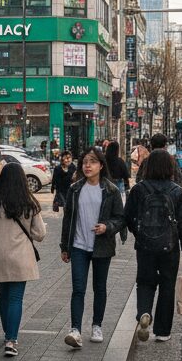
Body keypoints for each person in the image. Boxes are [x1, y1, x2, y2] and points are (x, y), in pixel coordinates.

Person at [124, 149, 182, 343]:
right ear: (170, 168)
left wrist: (139, 233)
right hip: (169, 247)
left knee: (145, 281)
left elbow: (127, 216)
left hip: (145, 246)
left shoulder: (139, 190)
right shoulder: (177, 192)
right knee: (167, 285)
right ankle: (162, 331)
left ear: (148, 167)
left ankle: (144, 313)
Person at [59, 146, 125, 348]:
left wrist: (107, 227)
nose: (88, 166)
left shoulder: (111, 190)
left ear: (101, 165)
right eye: (85, 162)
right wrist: (64, 246)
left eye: (93, 162)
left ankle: (97, 325)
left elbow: (120, 219)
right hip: (78, 246)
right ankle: (75, 330)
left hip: (101, 246)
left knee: (99, 287)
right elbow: (68, 219)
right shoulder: (75, 189)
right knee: (78, 288)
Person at [0, 161, 47, 357]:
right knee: (16, 298)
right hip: (21, 256)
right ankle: (11, 339)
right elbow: (40, 234)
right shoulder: (29, 202)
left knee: (4, 296)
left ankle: (7, 333)